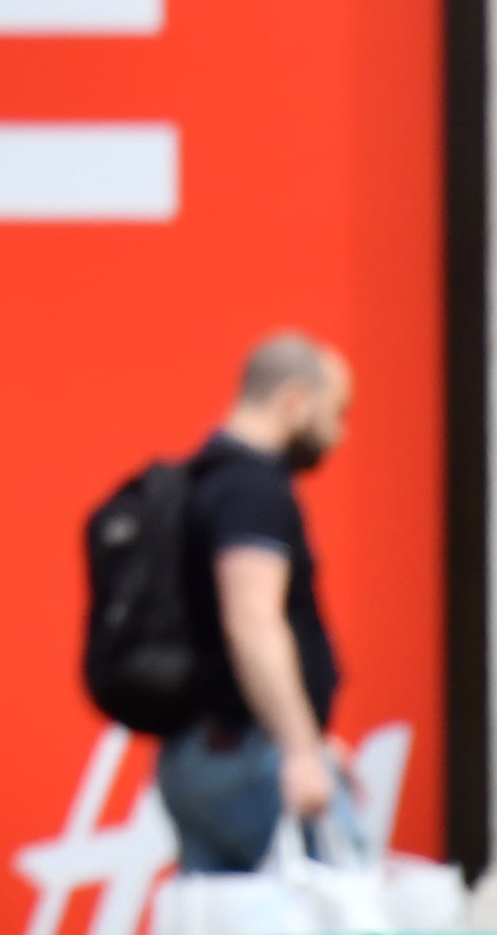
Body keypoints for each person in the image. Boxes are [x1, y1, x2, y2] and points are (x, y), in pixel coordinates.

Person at [157, 331, 354, 872]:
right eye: (336, 412)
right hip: (252, 756)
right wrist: (301, 749)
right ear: (294, 401)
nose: (340, 433)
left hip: (200, 753)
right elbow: (253, 623)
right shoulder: (252, 490)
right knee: (341, 899)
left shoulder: (203, 481)